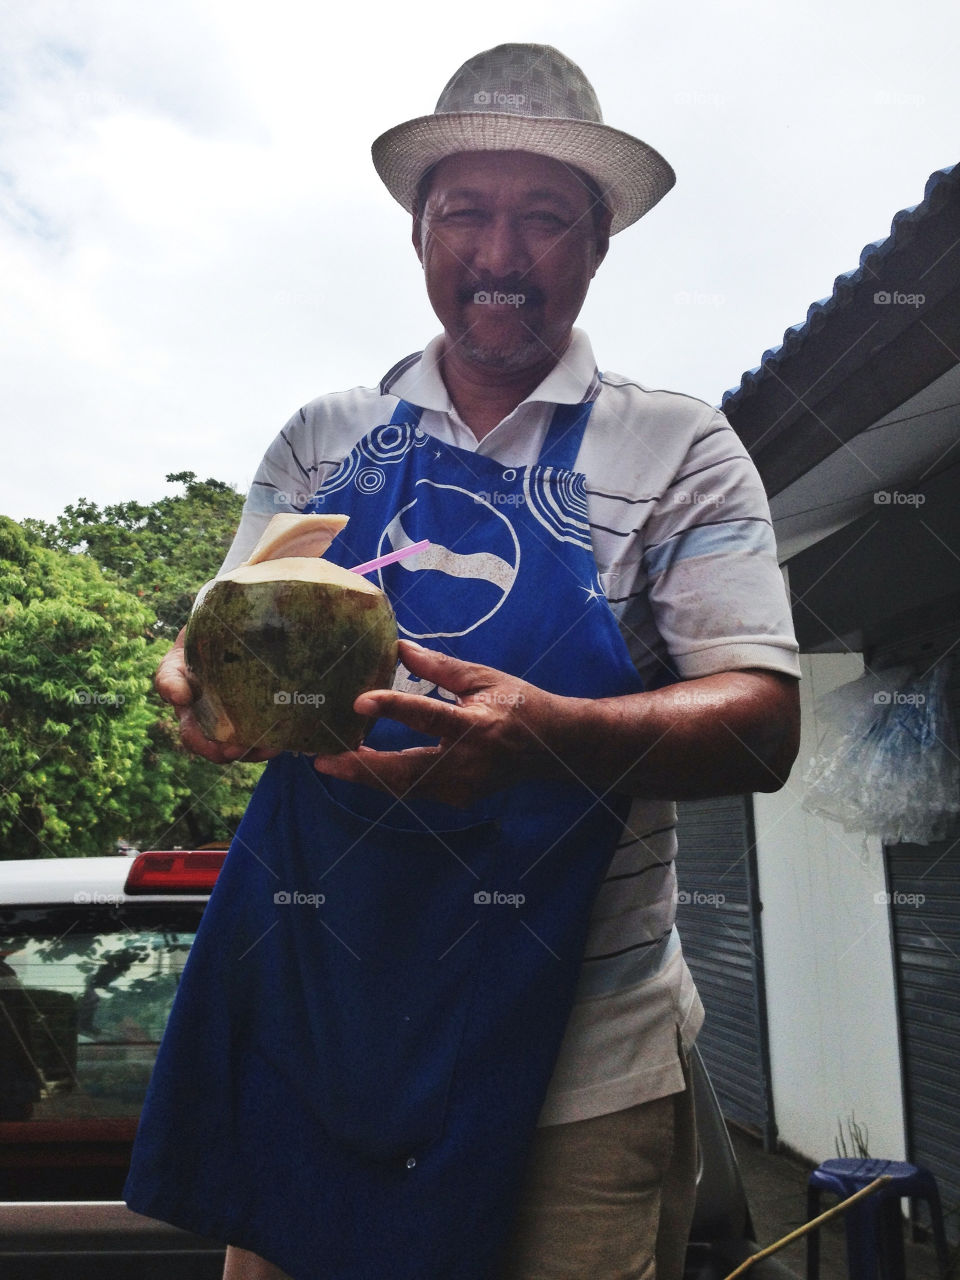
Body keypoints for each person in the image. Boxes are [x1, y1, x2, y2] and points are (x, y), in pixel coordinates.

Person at [124, 43, 801, 1280]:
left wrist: (559, 737)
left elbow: (763, 721)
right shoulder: (321, 439)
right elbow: (228, 642)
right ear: (420, 233)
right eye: (465, 215)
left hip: (581, 1064)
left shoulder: (683, 448)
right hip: (317, 1022)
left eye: (543, 219)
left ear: (598, 244)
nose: (499, 256)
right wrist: (205, 697)